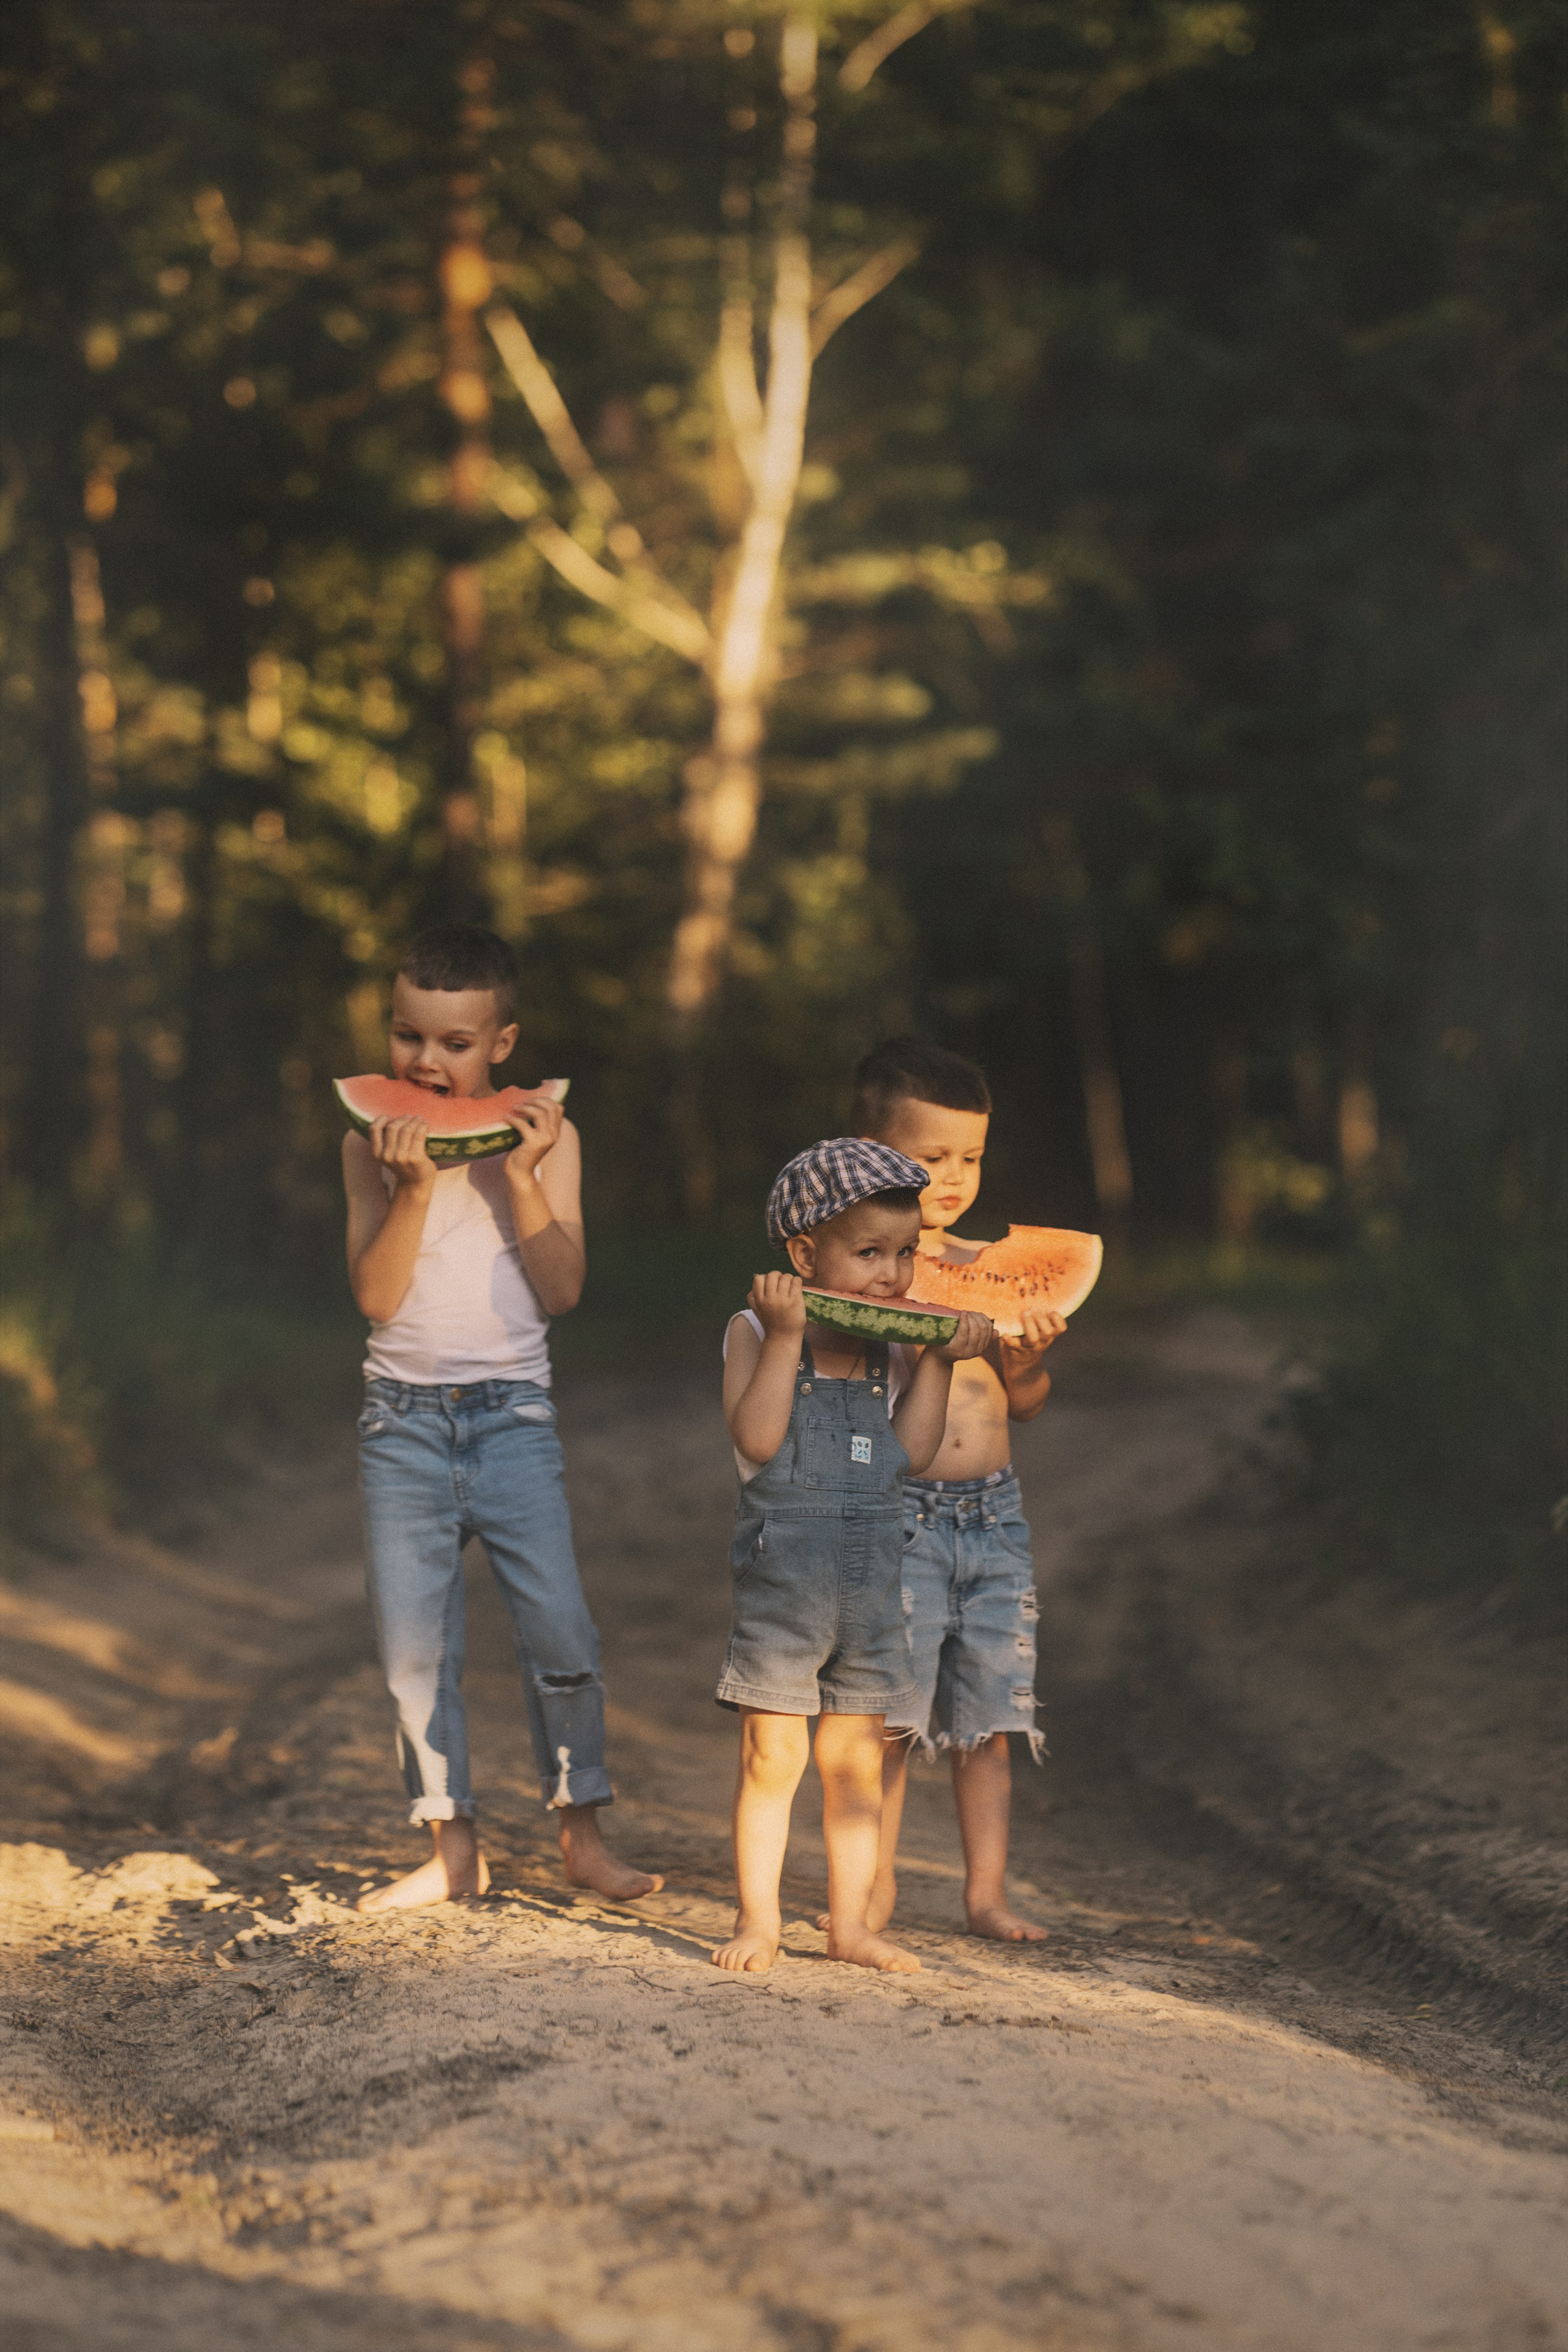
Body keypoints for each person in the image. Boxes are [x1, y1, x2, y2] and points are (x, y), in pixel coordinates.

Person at [341, 921, 661, 1913]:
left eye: (455, 1043)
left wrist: (520, 1180)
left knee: (560, 1629)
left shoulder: (547, 1139)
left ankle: (582, 1834)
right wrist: (412, 1191)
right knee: (413, 1652)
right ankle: (451, 1848)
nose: (426, 1062)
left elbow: (561, 1289)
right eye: (408, 1037)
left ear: (504, 1045)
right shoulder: (366, 1145)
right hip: (402, 1428)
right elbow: (377, 1298)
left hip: (514, 1420)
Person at [715, 1138, 993, 1975]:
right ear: (804, 1255)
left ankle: (851, 1926)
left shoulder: (889, 1349)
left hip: (871, 1590)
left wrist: (939, 1358)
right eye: (868, 1253)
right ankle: (758, 1919)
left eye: (904, 1254)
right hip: (785, 1591)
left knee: (855, 1767)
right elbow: (758, 1438)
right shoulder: (753, 1330)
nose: (891, 1275)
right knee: (774, 1758)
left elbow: (906, 1454)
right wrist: (786, 1339)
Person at [850, 1036, 1066, 1942]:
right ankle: (875, 1888)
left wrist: (1030, 1364)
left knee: (987, 1720)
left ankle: (985, 1893)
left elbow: (1024, 1408)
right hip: (904, 1518)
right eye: (929, 1158)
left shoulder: (992, 1264)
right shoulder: (867, 1272)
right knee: (895, 1723)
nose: (952, 1177)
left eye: (969, 1158)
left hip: (995, 1515)